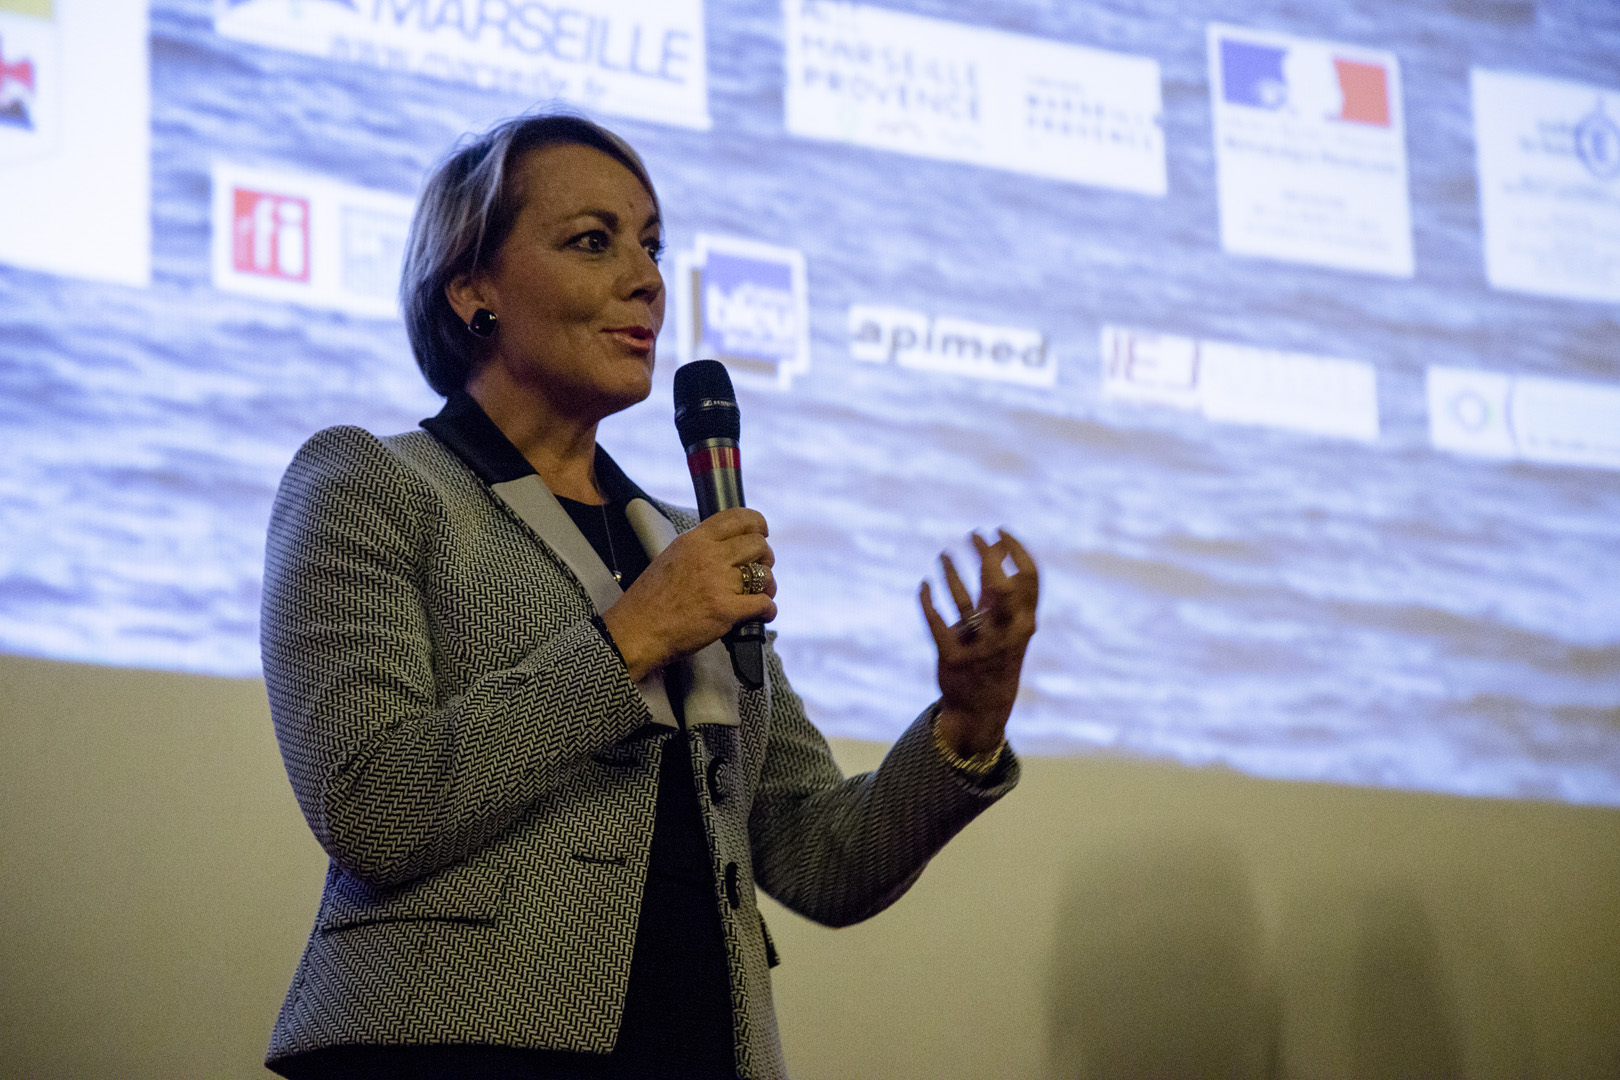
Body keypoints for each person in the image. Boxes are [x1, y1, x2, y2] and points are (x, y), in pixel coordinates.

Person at [260, 112, 1040, 1080]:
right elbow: (372, 805)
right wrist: (631, 635)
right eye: (595, 241)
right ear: (472, 289)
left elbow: (816, 856)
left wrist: (967, 724)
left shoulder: (683, 544)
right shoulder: (370, 484)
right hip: (449, 1046)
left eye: (652, 245)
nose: (647, 279)